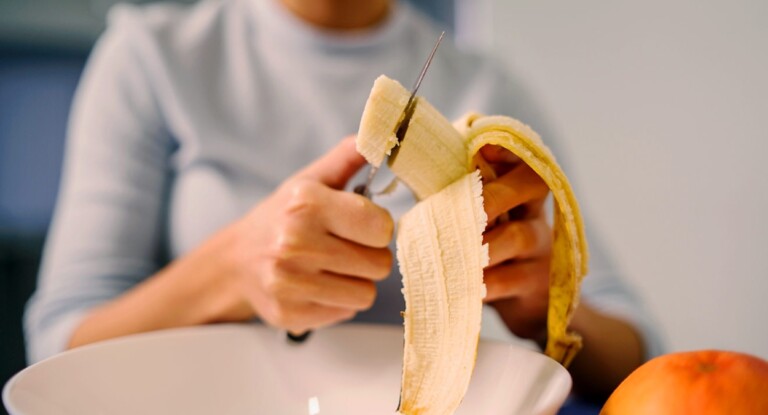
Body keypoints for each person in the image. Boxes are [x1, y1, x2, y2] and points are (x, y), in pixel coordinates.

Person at [25, 0, 662, 400]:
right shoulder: (150, 57)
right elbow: (56, 350)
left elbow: (637, 360)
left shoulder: (484, 82)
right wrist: (232, 271)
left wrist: (544, 303)